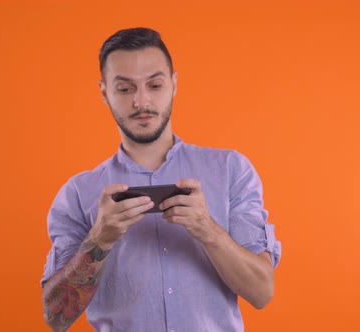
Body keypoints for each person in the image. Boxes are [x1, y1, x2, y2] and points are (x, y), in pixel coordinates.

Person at [40, 27, 282, 332]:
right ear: (104, 93)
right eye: (125, 89)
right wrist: (99, 238)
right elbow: (56, 317)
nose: (141, 102)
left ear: (174, 84)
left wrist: (208, 230)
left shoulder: (232, 170)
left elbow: (261, 293)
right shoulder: (78, 192)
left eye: (154, 85)